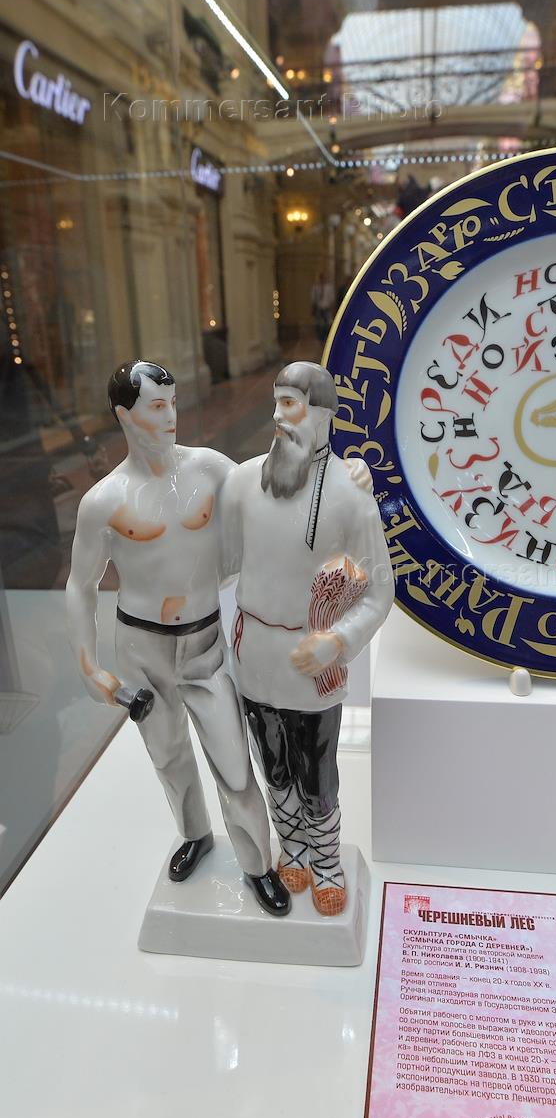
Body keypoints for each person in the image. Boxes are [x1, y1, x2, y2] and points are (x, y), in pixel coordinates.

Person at [65, 360, 290, 916]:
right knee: (167, 754)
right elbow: (80, 584)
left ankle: (257, 862)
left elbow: (269, 490)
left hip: (203, 640)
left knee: (232, 757)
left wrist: (338, 474)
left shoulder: (210, 468)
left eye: (172, 404)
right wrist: (89, 666)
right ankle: (194, 833)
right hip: (139, 646)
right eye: (156, 406)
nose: (170, 417)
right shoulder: (104, 500)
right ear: (124, 415)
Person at [222, 361, 392, 916]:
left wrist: (338, 641)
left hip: (314, 663)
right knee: (272, 765)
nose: (278, 415)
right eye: (276, 401)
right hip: (254, 655)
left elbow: (379, 590)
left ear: (322, 414)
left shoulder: (350, 495)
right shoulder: (244, 481)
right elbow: (216, 559)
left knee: (317, 775)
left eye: (290, 403)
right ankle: (290, 847)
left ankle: (326, 861)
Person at [311, 269, 335, 339]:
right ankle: (320, 337)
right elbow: (313, 298)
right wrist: (313, 308)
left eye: (324, 278)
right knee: (319, 323)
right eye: (321, 278)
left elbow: (332, 299)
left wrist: (332, 309)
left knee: (327, 323)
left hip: (327, 307)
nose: (323, 279)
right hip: (319, 307)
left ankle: (326, 336)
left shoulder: (329, 288)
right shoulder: (316, 287)